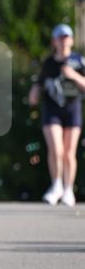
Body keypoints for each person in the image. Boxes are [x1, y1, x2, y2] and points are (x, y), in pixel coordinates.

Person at [29, 23, 85, 206]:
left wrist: (73, 75)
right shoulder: (49, 62)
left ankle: (69, 189)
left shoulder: (79, 60)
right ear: (54, 41)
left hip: (72, 109)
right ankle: (56, 185)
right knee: (56, 149)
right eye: (60, 38)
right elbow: (40, 82)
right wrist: (34, 92)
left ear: (71, 40)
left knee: (69, 152)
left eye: (66, 37)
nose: (63, 41)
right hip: (51, 109)